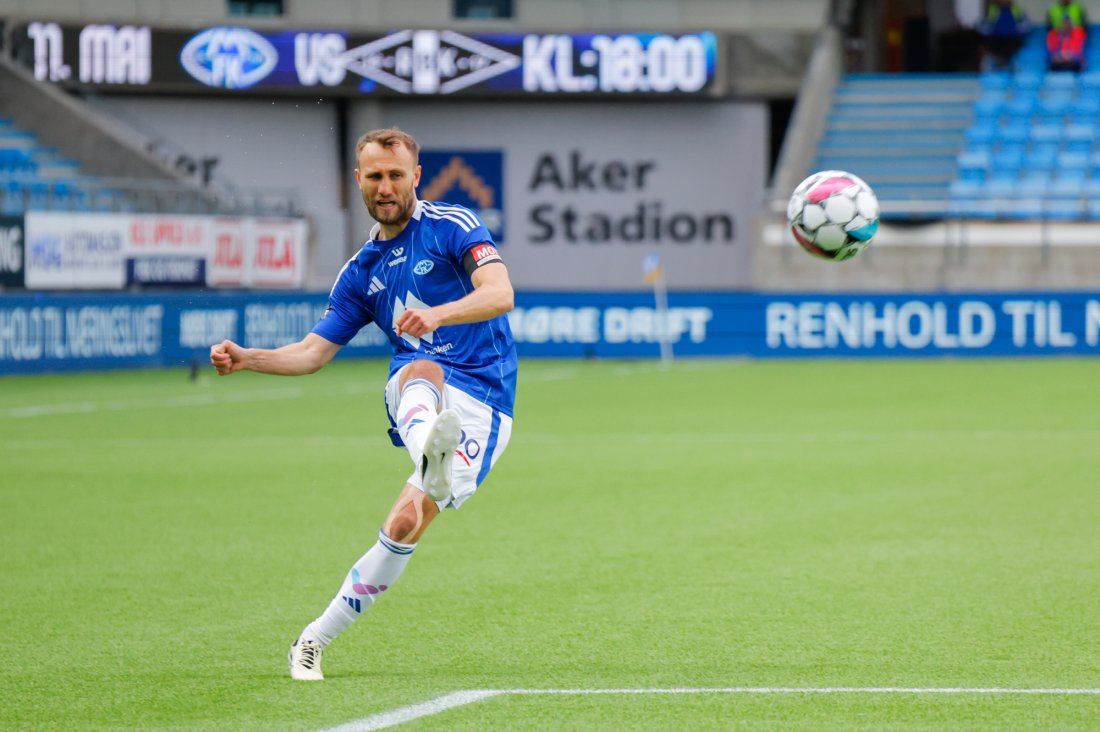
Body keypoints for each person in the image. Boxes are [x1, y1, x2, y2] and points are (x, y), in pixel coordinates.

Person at [210, 127, 517, 681]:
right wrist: (248, 357)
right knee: (420, 368)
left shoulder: (454, 226)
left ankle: (314, 633)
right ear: (359, 180)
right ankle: (431, 455)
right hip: (420, 388)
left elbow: (501, 292)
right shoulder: (360, 272)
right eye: (374, 176)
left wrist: (439, 315)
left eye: (396, 174)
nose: (385, 186)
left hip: (484, 398)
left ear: (416, 177)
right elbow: (311, 352)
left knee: (402, 525)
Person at [980, 0, 1032, 70]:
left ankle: (1012, 66)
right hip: (996, 39)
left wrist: (1015, 30)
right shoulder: (993, 10)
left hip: (1012, 39)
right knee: (990, 44)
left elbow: (1027, 26)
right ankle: (996, 64)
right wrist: (991, 30)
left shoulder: (1016, 10)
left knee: (1015, 44)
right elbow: (983, 28)